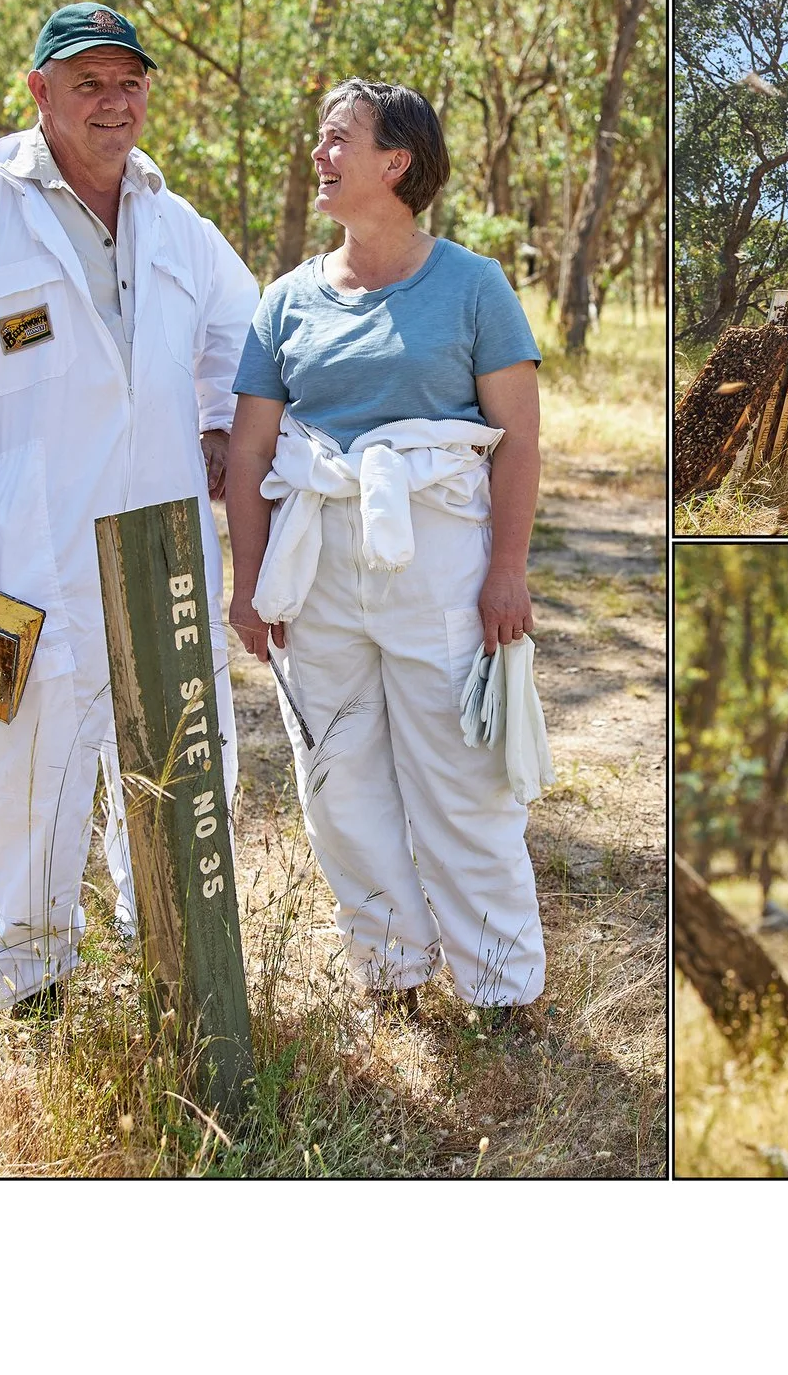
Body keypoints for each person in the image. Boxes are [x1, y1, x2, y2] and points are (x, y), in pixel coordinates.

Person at [0, 3, 257, 1016]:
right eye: (88, 84)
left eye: (129, 83)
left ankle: (164, 933)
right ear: (40, 94)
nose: (114, 103)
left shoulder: (177, 223)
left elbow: (242, 343)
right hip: (22, 545)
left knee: (171, 742)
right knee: (24, 757)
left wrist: (218, 427)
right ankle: (28, 970)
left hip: (162, 541)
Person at [223, 79, 547, 1028]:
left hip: (438, 559)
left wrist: (507, 570)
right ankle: (392, 972)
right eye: (320, 139)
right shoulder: (285, 300)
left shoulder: (474, 286)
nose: (319, 156)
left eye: (337, 140)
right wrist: (250, 586)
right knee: (337, 780)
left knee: (461, 776)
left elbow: (519, 438)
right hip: (317, 562)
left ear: (395, 162)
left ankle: (500, 990)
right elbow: (249, 449)